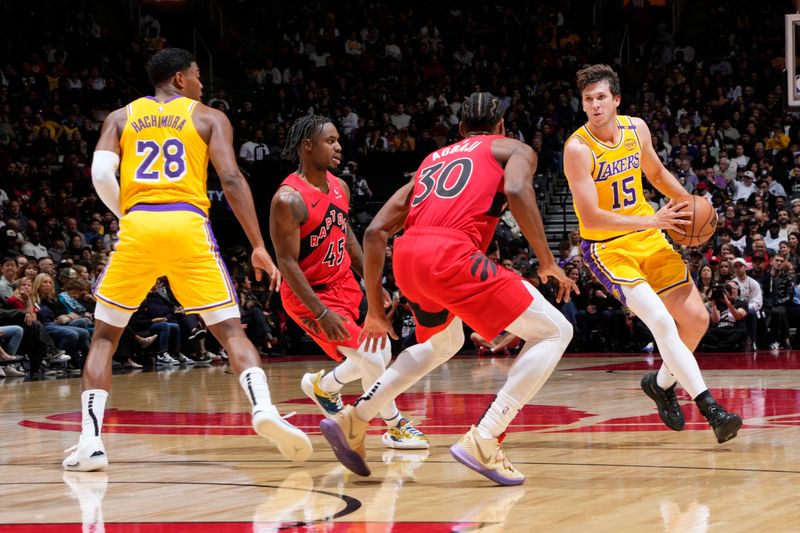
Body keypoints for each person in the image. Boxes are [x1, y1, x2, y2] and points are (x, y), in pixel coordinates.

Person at [63, 48, 311, 472]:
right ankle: (264, 408)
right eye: (197, 76)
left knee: (105, 337)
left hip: (140, 223)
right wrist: (256, 243)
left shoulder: (120, 117)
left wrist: (128, 214)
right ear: (180, 79)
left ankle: (91, 442)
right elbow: (231, 179)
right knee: (231, 330)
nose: (201, 84)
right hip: (188, 224)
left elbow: (101, 173)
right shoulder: (209, 117)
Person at [318, 92, 578, 485]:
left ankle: (357, 418)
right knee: (557, 330)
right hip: (451, 252)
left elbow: (374, 231)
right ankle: (486, 438)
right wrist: (546, 260)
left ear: (460, 131)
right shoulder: (513, 148)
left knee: (443, 343)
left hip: (408, 258)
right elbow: (519, 190)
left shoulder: (430, 162)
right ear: (502, 127)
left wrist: (374, 308)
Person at [561, 64, 741, 443]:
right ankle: (710, 407)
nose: (594, 105)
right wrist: (653, 221)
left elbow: (657, 174)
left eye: (601, 98)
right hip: (608, 248)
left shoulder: (636, 128)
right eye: (588, 99)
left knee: (695, 320)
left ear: (616, 100)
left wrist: (688, 205)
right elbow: (591, 215)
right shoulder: (577, 149)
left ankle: (660, 385)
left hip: (649, 234)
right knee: (660, 321)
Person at [269, 115, 427, 450]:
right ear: (306, 146)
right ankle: (395, 425)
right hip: (310, 296)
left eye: (338, 139)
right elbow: (286, 262)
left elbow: (347, 235)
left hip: (343, 283)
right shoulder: (288, 198)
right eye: (330, 141)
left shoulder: (339, 186)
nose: (339, 146)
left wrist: (371, 282)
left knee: (380, 350)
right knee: (372, 358)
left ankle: (325, 386)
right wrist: (321, 312)